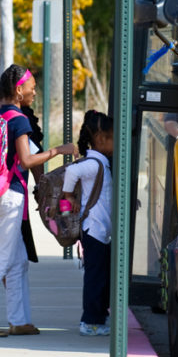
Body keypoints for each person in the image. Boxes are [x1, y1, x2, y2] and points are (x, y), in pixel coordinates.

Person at [0, 65, 78, 337]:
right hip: (10, 195)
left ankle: (19, 320)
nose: (34, 92)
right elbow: (26, 160)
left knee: (17, 260)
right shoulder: (19, 119)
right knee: (3, 259)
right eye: (32, 87)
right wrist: (58, 150)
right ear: (18, 90)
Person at [61, 111, 114, 336]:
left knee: (101, 276)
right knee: (95, 277)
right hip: (94, 229)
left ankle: (98, 316)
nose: (115, 143)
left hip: (99, 230)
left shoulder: (101, 162)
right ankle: (90, 321)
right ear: (100, 139)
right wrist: (68, 195)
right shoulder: (94, 163)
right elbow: (72, 171)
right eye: (112, 138)